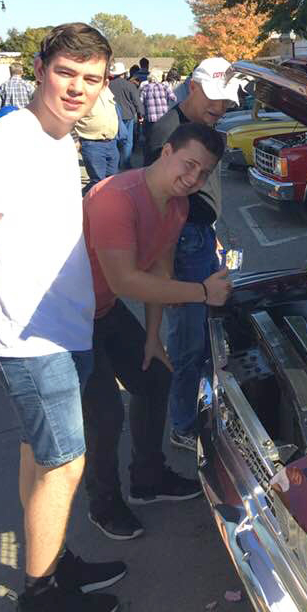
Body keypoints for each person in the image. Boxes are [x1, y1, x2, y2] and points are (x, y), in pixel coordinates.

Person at [0, 22, 124, 612]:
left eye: (90, 78)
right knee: (66, 464)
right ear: (41, 70)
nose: (77, 87)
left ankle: (50, 560)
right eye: (65, 73)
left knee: (39, 455)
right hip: (27, 335)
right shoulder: (9, 141)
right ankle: (41, 596)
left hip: (66, 324)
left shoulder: (59, 139)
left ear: (103, 84)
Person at [81, 122, 232, 541]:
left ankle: (148, 481)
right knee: (105, 413)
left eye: (204, 173)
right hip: (65, 314)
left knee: (154, 377)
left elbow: (159, 269)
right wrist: (203, 291)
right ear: (166, 152)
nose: (194, 178)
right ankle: (104, 503)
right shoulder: (116, 198)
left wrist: (152, 339)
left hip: (104, 307)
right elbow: (128, 279)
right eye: (189, 164)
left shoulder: (178, 205)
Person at [145, 57, 242, 451]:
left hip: (199, 237)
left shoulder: (202, 128)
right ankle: (183, 424)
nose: (220, 108)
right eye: (214, 99)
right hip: (183, 245)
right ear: (194, 86)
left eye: (226, 102)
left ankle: (196, 410)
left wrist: (210, 232)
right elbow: (160, 203)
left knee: (205, 336)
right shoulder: (169, 132)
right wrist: (169, 261)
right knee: (188, 341)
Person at [74, 85, 120, 190]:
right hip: (92, 143)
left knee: (111, 179)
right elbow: (69, 117)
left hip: (111, 142)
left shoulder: (107, 91)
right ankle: (86, 201)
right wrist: (75, 139)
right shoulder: (82, 92)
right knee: (98, 182)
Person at [108, 62, 142, 170]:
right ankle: (125, 163)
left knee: (115, 140)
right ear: (123, 73)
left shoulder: (108, 85)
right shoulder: (130, 85)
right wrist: (140, 114)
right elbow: (136, 101)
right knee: (127, 142)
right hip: (128, 116)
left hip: (112, 116)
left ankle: (115, 164)